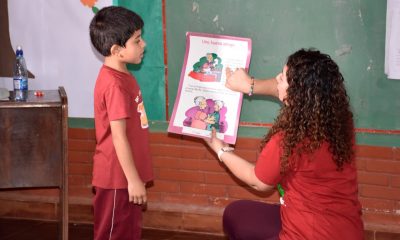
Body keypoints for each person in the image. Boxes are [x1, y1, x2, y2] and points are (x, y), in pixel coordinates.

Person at [206, 49, 364, 239]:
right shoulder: (339, 120)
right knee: (238, 212)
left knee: (234, 214)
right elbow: (283, 87)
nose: (277, 78)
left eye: (283, 77)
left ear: (297, 92)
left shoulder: (290, 138)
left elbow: (258, 183)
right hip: (348, 230)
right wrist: (249, 85)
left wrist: (220, 150)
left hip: (308, 234)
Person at [89, 6, 153, 240]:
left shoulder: (122, 73)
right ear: (117, 50)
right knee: (113, 234)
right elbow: (118, 136)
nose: (143, 44)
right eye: (137, 40)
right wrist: (133, 180)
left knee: (128, 233)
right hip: (118, 178)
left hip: (126, 175)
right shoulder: (114, 85)